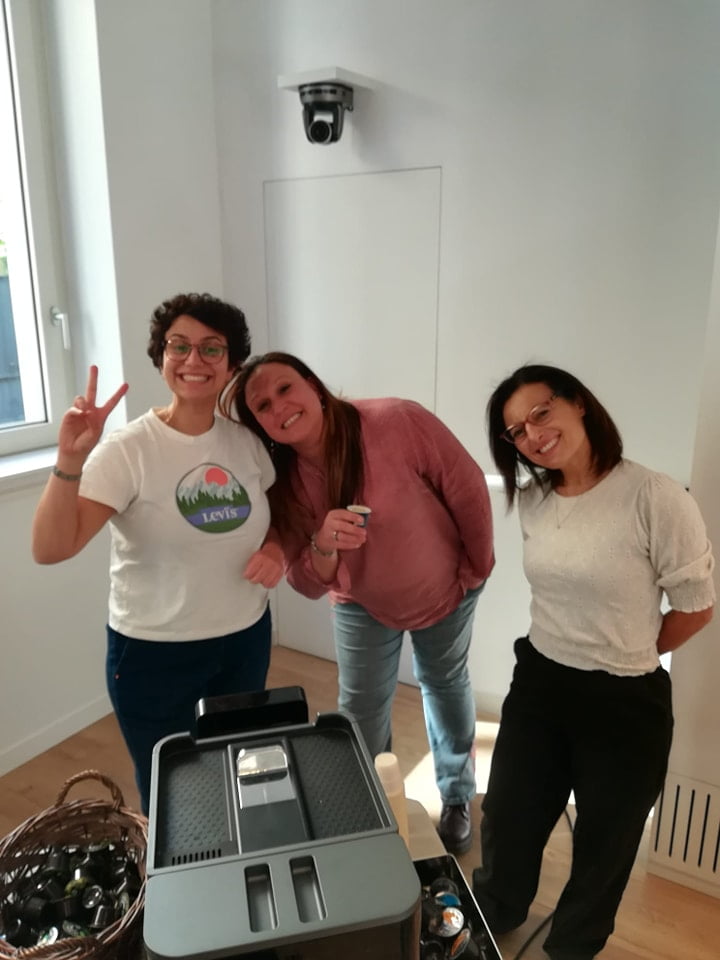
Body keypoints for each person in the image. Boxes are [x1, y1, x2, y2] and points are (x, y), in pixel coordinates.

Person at [473, 364, 715, 960]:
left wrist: (627, 651)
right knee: (508, 812)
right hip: (540, 681)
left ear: (578, 403)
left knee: (607, 840)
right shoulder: (535, 500)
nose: (533, 435)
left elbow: (696, 608)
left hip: (624, 700)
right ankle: (494, 912)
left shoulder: (653, 496)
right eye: (516, 431)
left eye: (541, 412)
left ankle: (573, 947)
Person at [225, 352, 495, 854]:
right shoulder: (282, 480)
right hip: (360, 602)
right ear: (257, 423)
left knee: (444, 684)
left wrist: (478, 565)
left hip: (445, 587)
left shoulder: (396, 420)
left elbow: (467, 486)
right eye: (262, 405)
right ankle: (370, 805)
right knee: (361, 707)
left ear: (313, 385)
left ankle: (456, 796)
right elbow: (307, 584)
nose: (278, 407)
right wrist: (323, 545)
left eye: (285, 388)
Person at [31, 293, 283, 814]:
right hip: (155, 654)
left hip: (244, 639)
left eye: (212, 348)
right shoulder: (128, 450)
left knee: (238, 772)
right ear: (161, 356)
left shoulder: (246, 443)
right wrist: (69, 459)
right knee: (174, 797)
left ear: (232, 365)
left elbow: (278, 515)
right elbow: (51, 548)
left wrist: (278, 548)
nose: (194, 360)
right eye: (179, 345)